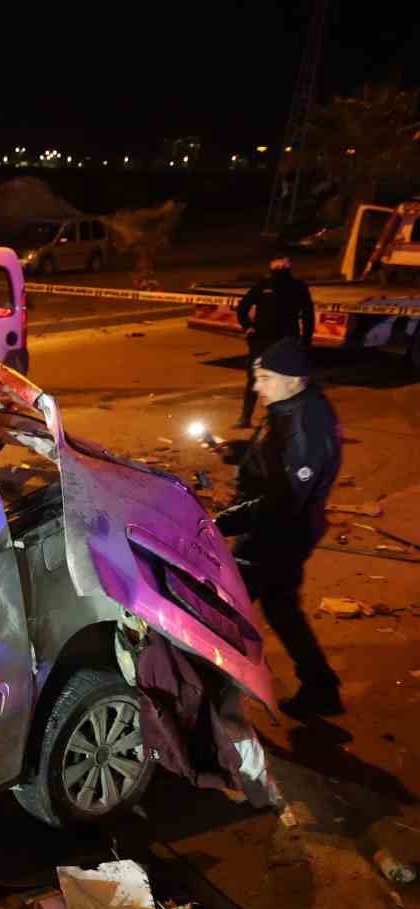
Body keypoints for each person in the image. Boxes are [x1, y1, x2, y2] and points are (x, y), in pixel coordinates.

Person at [214, 337, 343, 717]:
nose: (257, 387)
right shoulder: (288, 408)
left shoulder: (308, 424)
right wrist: (239, 452)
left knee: (224, 609)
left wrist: (225, 521)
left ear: (294, 378)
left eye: (265, 378)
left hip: (276, 535)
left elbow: (284, 498)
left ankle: (207, 693)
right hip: (276, 530)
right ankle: (322, 687)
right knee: (281, 607)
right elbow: (274, 459)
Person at [235, 255, 313, 429]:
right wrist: (247, 326)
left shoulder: (298, 287)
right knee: (254, 379)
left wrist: (306, 339)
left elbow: (308, 314)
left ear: (289, 266)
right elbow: (243, 307)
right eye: (276, 265)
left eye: (282, 265)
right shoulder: (263, 286)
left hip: (285, 340)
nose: (279, 268)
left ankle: (280, 420)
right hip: (261, 340)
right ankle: (245, 417)